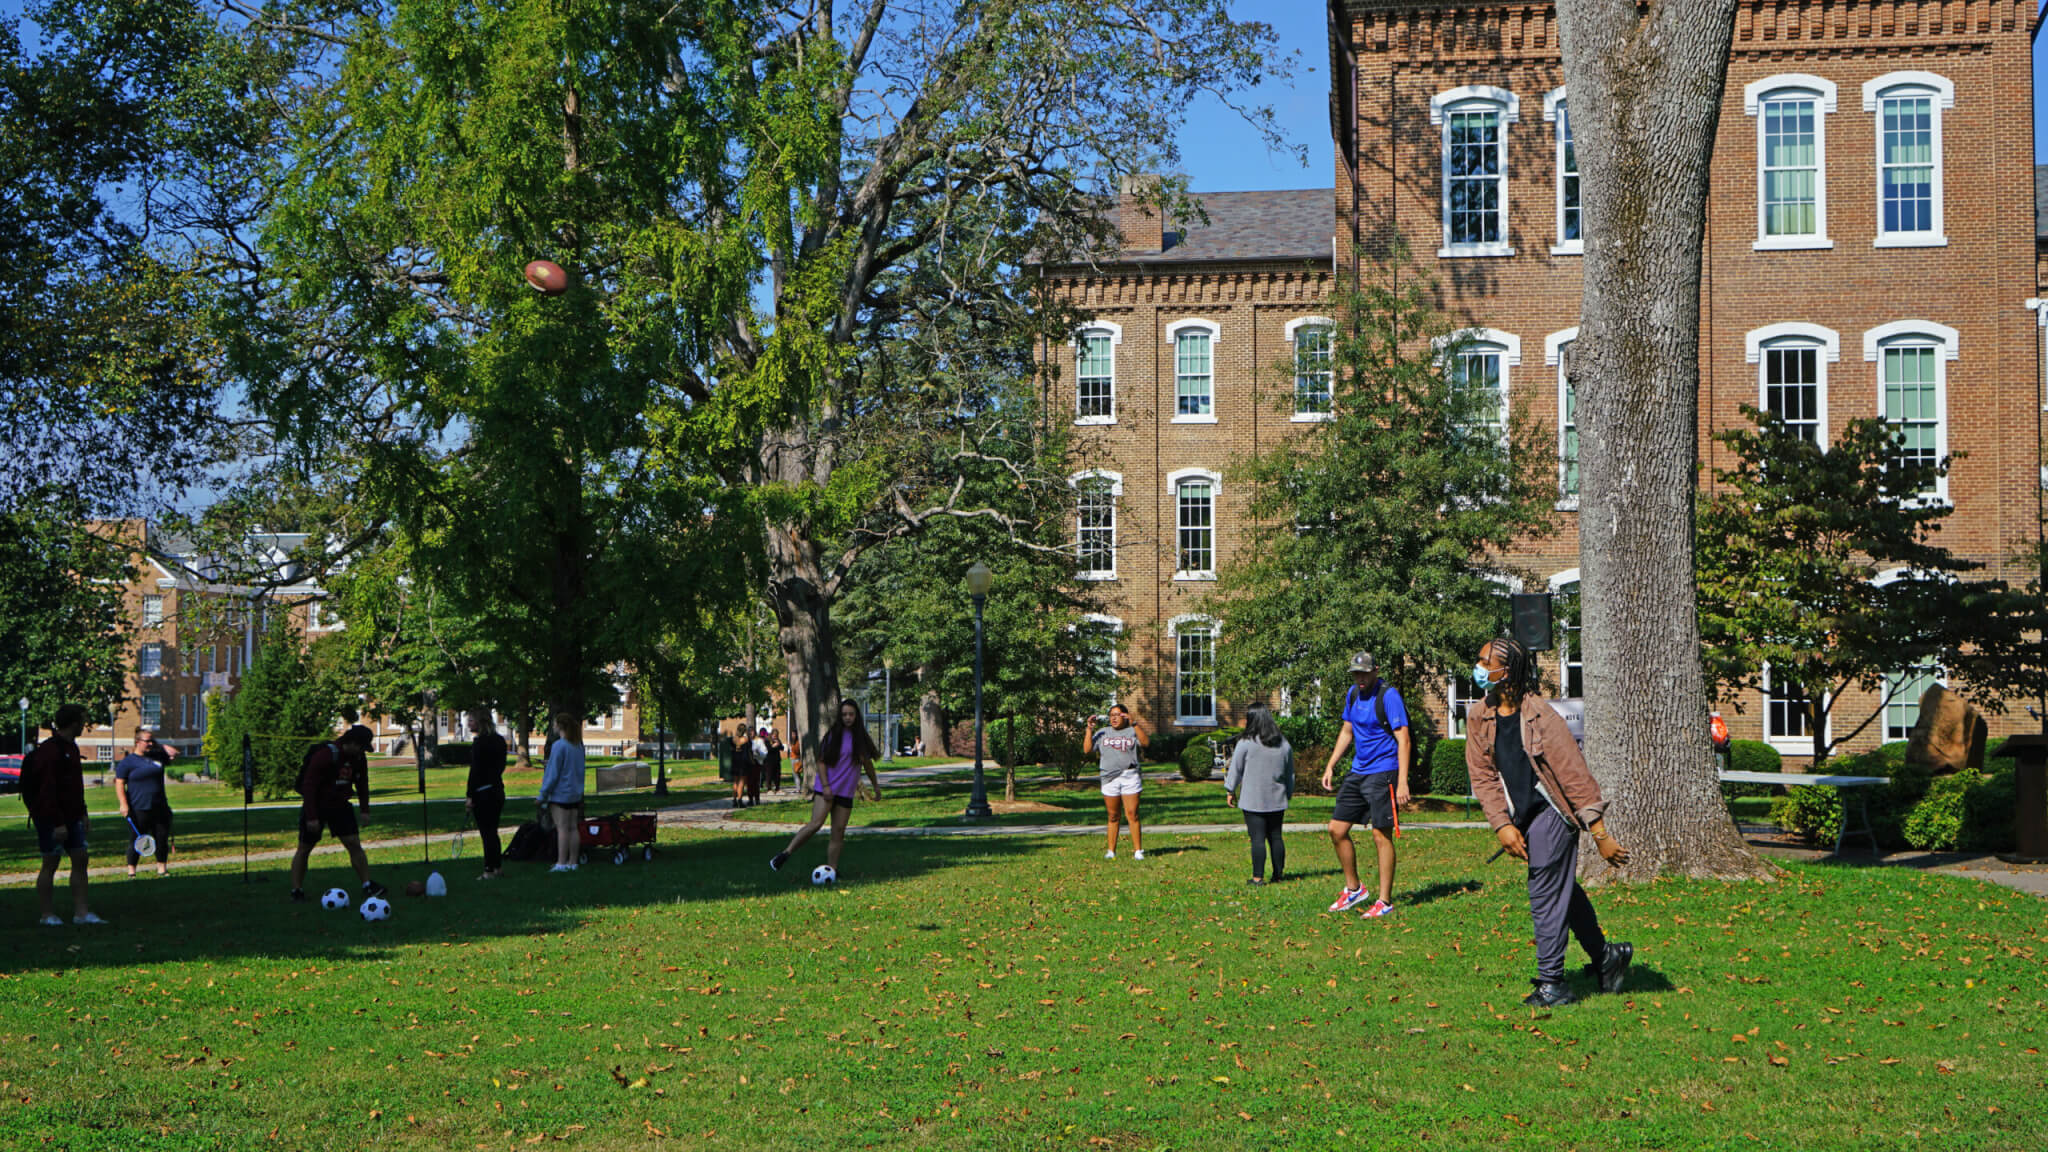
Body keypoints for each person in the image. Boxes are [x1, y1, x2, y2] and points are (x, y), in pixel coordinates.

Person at [1467, 637, 1634, 1007]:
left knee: (1544, 892)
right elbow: (1483, 776)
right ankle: (1608, 957)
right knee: (1562, 891)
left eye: (1484, 662)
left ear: (1505, 671)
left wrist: (1600, 833)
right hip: (1522, 817)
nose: (1477, 668)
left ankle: (1553, 985)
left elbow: (1575, 776)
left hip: (1553, 814)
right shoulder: (1480, 715)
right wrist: (1502, 824)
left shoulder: (1541, 716)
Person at [1320, 651, 1411, 917]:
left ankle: (1384, 901)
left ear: (1374, 671)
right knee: (1336, 829)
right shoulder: (1353, 694)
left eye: (1363, 673)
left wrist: (1403, 782)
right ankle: (1355, 889)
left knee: (1380, 834)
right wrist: (1331, 763)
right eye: (1355, 674)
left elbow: (1403, 740)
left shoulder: (1389, 696)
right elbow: (1347, 731)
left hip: (1384, 772)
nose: (1359, 678)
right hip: (1358, 771)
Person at [769, 700, 882, 879]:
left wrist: (876, 787)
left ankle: (832, 870)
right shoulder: (833, 736)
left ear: (856, 716)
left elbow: (868, 765)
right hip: (827, 789)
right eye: (844, 714)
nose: (847, 718)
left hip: (845, 792)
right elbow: (821, 762)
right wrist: (827, 786)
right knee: (816, 824)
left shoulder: (861, 739)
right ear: (840, 716)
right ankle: (785, 854)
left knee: (838, 832)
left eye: (851, 714)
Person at [287, 725, 386, 903]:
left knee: (354, 843)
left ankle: (367, 885)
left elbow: (362, 783)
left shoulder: (358, 757)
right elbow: (309, 787)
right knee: (304, 848)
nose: (362, 751)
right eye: (362, 747)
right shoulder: (325, 755)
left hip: (341, 805)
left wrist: (365, 810)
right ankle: (296, 891)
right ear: (352, 743)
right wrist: (311, 817)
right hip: (317, 805)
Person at [26, 704, 102, 925]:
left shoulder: (72, 748)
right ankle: (47, 915)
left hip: (72, 816)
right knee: (50, 862)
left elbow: (75, 787)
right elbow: (48, 790)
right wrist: (58, 823)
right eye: (82, 721)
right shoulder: (51, 751)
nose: (84, 725)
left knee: (80, 858)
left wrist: (83, 813)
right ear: (74, 722)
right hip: (51, 819)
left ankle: (81, 913)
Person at [1223, 703, 1293, 885]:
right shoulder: (1283, 744)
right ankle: (1278, 875)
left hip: (1253, 799)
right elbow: (1290, 773)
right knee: (1276, 837)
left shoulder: (1246, 743)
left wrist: (1230, 789)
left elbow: (1235, 769)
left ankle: (1257, 877)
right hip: (1277, 798)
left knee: (1257, 839)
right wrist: (1288, 793)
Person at [1084, 704, 1148, 860]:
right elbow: (1087, 750)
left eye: (1118, 714)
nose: (1114, 718)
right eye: (1111, 715)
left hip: (1130, 775)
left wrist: (1135, 724)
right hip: (1109, 778)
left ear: (1125, 716)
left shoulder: (1132, 731)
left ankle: (1138, 851)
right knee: (1113, 816)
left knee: (1132, 814)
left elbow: (1146, 743)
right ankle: (1111, 851)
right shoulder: (1102, 733)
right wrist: (1089, 729)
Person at [114, 730, 174, 877]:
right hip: (138, 807)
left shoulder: (156, 757)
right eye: (147, 741)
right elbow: (119, 783)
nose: (150, 744)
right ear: (137, 742)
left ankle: (162, 869)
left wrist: (158, 745)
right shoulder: (128, 762)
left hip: (159, 806)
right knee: (137, 839)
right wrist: (123, 804)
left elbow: (174, 752)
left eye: (151, 740)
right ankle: (131, 871)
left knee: (161, 838)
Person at [538, 712, 587, 872]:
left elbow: (553, 774)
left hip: (561, 794)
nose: (552, 727)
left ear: (559, 726)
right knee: (573, 827)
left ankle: (561, 862)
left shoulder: (559, 745)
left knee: (562, 828)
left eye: (554, 724)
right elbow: (569, 765)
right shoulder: (578, 745)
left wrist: (542, 795)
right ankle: (573, 862)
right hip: (575, 793)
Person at [465, 708, 508, 879]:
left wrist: (470, 796)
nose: (468, 724)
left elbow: (475, 771)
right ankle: (497, 867)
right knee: (493, 831)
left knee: (486, 833)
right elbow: (501, 767)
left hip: (483, 793)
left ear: (480, 722)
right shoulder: (499, 741)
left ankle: (489, 870)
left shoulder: (480, 743)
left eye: (471, 721)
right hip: (497, 790)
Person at [728, 727, 754, 809]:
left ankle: (734, 800)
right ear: (744, 731)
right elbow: (750, 750)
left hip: (735, 762)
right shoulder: (746, 740)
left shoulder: (733, 740)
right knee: (741, 782)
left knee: (735, 782)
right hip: (743, 762)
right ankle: (740, 800)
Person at [745, 727, 767, 806]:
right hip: (748, 764)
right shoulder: (746, 741)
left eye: (752, 732)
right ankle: (750, 799)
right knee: (749, 783)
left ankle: (757, 799)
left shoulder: (759, 741)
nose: (751, 734)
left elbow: (764, 753)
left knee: (756, 782)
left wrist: (758, 753)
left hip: (756, 763)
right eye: (750, 732)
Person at [763, 727, 785, 793]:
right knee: (769, 775)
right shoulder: (767, 741)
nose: (775, 736)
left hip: (777, 760)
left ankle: (777, 788)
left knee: (777, 775)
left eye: (776, 735)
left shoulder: (778, 740)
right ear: (771, 734)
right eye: (774, 735)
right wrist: (773, 746)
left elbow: (782, 748)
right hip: (769, 761)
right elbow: (767, 750)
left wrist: (779, 744)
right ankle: (769, 788)